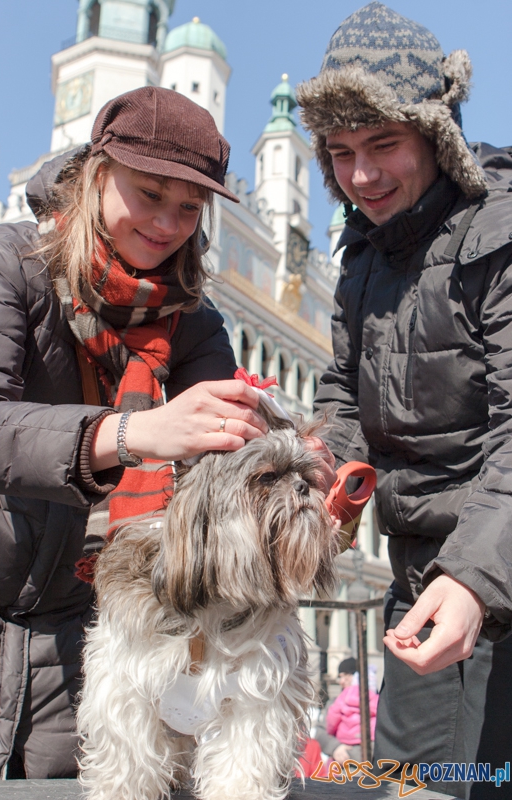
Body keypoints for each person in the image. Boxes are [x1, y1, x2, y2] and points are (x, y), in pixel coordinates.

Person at [0, 86, 272, 781]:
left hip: (91, 628)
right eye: (149, 194)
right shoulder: (11, 262)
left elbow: (223, 461)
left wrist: (280, 465)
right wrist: (135, 431)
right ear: (97, 173)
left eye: (189, 208)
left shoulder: (192, 317)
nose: (168, 224)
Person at [297, 3, 512, 797]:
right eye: (340, 152)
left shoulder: (499, 233)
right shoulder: (361, 252)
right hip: (419, 588)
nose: (361, 176)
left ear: (435, 134)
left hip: (488, 575)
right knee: (411, 784)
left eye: (382, 144)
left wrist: (474, 579)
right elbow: (344, 391)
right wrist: (319, 477)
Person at [315, 657, 379, 764]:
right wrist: (335, 747)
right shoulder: (335, 703)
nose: (342, 681)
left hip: (371, 763)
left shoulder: (377, 701)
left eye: (347, 676)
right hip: (341, 764)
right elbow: (320, 732)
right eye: (340, 677)